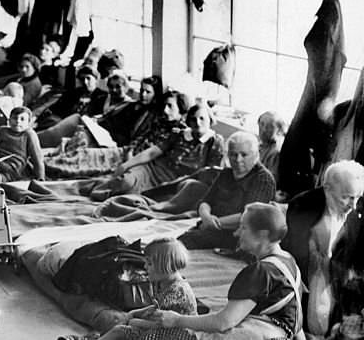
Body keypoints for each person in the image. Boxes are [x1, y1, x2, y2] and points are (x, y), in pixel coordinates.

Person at [71, 203, 307, 340]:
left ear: (263, 234)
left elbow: (223, 323)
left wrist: (177, 320)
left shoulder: (260, 272)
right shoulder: (288, 262)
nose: (236, 233)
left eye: (243, 228)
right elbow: (296, 322)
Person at [38, 238, 196, 340]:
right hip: (161, 337)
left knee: (120, 331)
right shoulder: (162, 282)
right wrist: (139, 312)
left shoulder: (178, 291)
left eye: (149, 263)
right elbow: (158, 306)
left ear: (164, 265)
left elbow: (163, 323)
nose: (145, 267)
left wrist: (136, 322)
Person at [283, 160, 364, 340]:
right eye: (346, 197)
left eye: (358, 197)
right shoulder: (302, 206)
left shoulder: (358, 206)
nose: (353, 205)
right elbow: (295, 259)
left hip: (341, 278)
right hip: (306, 277)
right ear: (327, 189)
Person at [88, 103, 224, 201]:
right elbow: (152, 152)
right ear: (188, 121)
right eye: (193, 119)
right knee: (126, 183)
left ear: (210, 121)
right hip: (152, 171)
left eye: (202, 119)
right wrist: (126, 165)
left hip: (176, 184)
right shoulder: (179, 134)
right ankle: (97, 192)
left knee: (135, 199)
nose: (197, 123)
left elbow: (210, 173)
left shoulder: (215, 142)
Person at [179, 131, 276, 250]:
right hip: (209, 226)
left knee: (182, 244)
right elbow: (206, 201)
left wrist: (214, 224)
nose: (238, 159)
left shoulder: (263, 179)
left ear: (256, 154)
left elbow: (249, 216)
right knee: (176, 242)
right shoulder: (226, 173)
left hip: (236, 236)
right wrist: (206, 217)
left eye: (244, 155)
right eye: (233, 154)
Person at [0, 106, 45, 182]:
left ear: (29, 122)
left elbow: (37, 158)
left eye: (22, 119)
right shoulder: (2, 130)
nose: (18, 121)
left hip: (12, 168)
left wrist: (40, 178)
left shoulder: (29, 134)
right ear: (9, 120)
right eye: (14, 118)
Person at [257, 111, 286, 183]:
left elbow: (271, 181)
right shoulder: (260, 145)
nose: (264, 130)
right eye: (262, 124)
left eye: (269, 126)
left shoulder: (275, 152)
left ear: (279, 130)